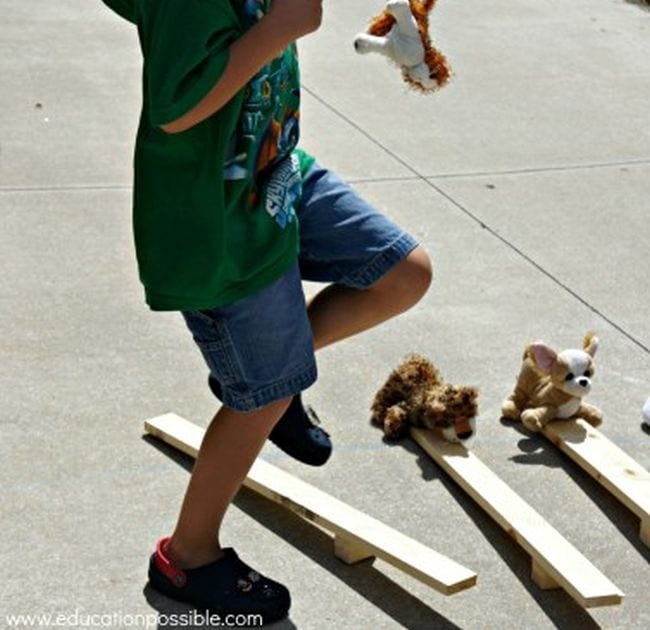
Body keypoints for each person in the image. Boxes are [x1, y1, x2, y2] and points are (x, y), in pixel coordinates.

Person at [101, 0, 432, 623]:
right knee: (262, 395)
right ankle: (187, 557)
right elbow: (176, 108)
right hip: (216, 232)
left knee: (401, 273)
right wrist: (280, 26)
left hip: (273, 176)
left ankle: (268, 380)